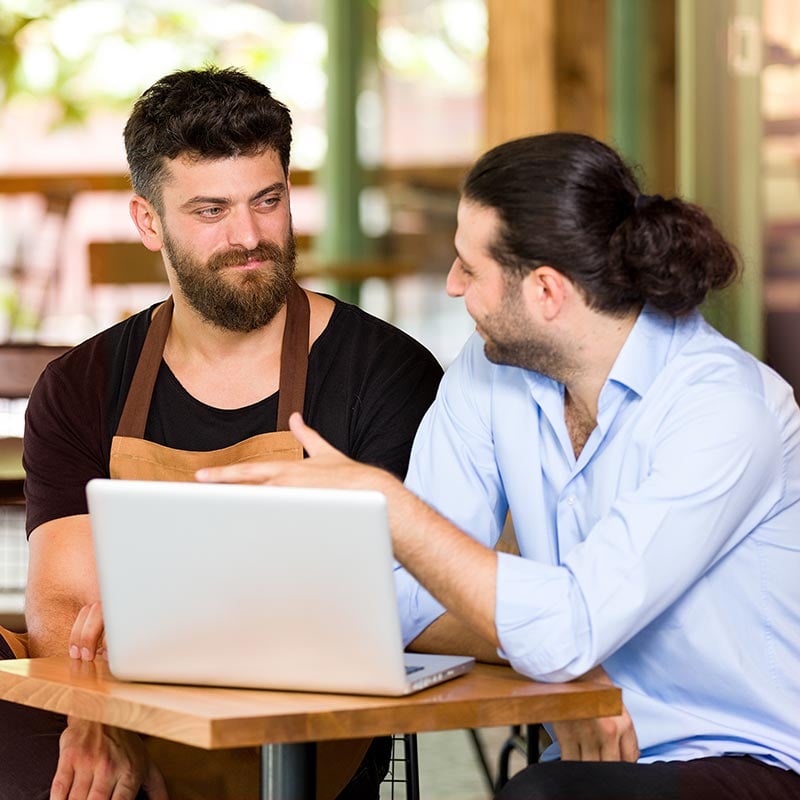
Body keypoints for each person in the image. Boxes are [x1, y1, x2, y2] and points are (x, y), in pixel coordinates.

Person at [198, 133, 800, 799]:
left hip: (750, 758)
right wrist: (568, 658)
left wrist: (390, 509)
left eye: (469, 269)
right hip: (580, 756)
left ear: (545, 290)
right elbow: (399, 599)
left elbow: (551, 627)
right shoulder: (490, 372)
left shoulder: (725, 411)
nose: (453, 287)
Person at [0, 66, 443, 800]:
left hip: (298, 732)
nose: (249, 237)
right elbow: (63, 609)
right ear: (148, 222)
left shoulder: (385, 372)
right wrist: (111, 721)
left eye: (267, 201)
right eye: (210, 210)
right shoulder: (80, 385)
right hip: (115, 716)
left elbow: (392, 601)